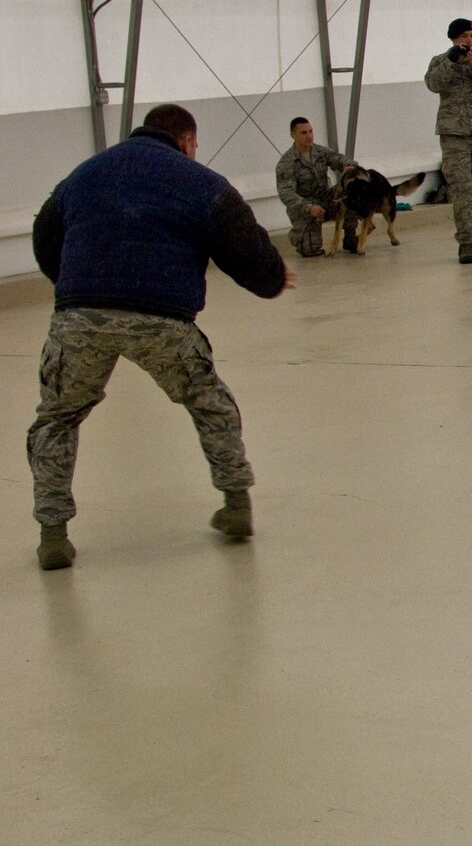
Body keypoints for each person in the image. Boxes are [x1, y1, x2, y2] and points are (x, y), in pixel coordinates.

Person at [26, 105, 295, 570]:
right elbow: (242, 243)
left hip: (81, 316)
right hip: (162, 319)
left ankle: (54, 535)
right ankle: (235, 506)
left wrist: (76, 287)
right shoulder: (201, 182)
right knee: (209, 402)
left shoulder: (84, 174)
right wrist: (271, 279)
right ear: (187, 140)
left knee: (57, 418)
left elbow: (44, 235)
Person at [425, 17, 472, 264]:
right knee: (462, 190)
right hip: (454, 136)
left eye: (471, 36)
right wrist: (451, 60)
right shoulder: (440, 62)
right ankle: (466, 243)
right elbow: (433, 84)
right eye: (464, 37)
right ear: (453, 39)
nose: (469, 40)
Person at [274, 116, 353, 258]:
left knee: (350, 192)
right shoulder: (287, 163)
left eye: (311, 131)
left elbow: (339, 159)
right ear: (293, 135)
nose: (309, 136)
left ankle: (351, 237)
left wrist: (349, 166)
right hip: (304, 207)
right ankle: (299, 233)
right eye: (304, 133)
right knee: (310, 249)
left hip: (325, 198)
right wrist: (308, 207)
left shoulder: (321, 152)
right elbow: (286, 193)